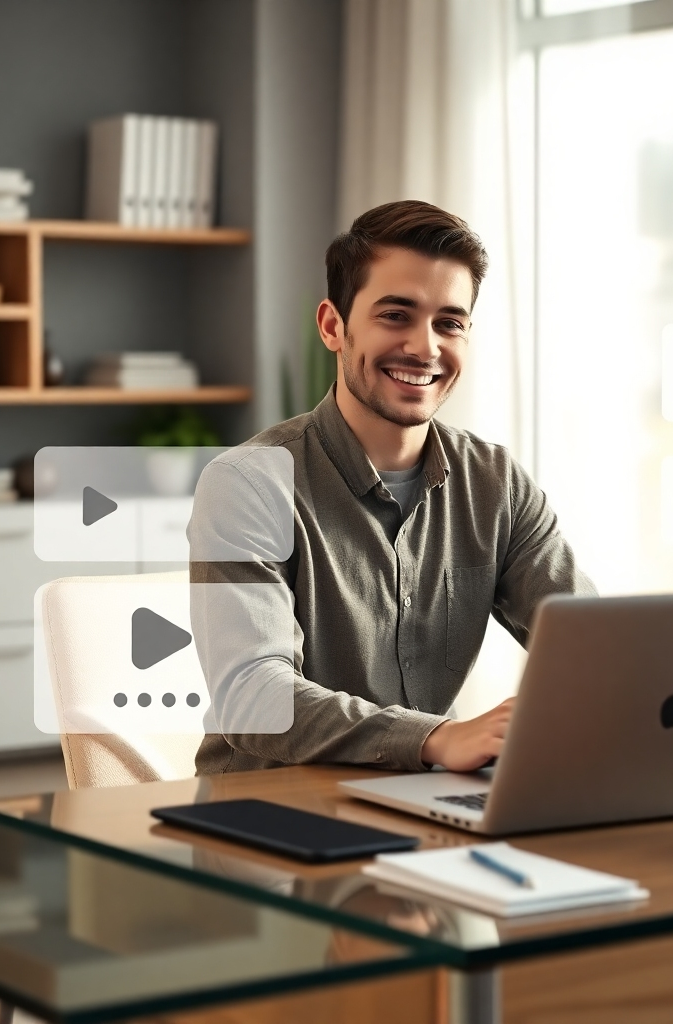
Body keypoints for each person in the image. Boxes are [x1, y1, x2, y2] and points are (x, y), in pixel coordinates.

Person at [189, 200, 594, 776]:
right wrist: (433, 739)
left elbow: (592, 641)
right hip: (268, 817)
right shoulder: (248, 483)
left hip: (423, 805)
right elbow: (252, 697)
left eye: (449, 322)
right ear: (334, 326)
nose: (425, 347)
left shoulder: (495, 485)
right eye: (396, 315)